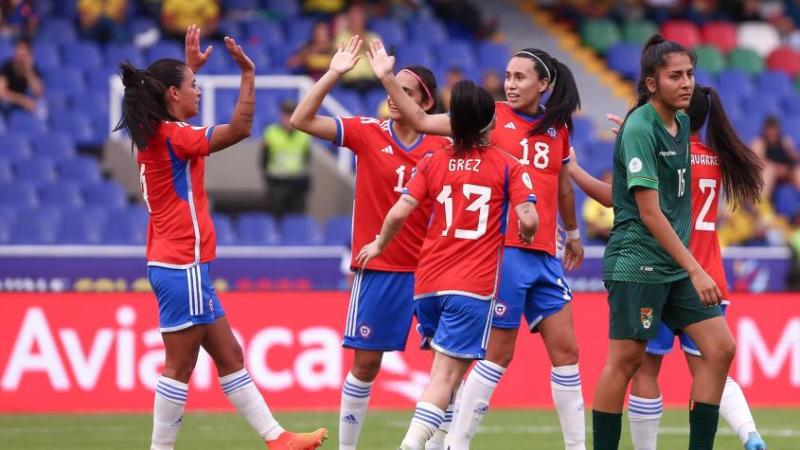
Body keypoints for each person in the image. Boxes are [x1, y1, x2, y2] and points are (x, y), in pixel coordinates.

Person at [113, 25, 326, 450]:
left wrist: (187, 66)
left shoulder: (154, 133)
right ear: (172, 95)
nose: (198, 91)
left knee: (229, 356)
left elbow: (173, 104)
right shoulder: (174, 137)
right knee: (178, 366)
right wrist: (248, 74)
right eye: (193, 85)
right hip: (181, 264)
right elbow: (241, 128)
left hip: (180, 264)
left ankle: (278, 438)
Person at [366, 39, 586, 450]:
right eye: (507, 76)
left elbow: (562, 185)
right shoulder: (488, 116)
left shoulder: (558, 128)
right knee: (498, 355)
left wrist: (572, 233)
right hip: (502, 253)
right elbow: (418, 117)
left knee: (568, 350)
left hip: (545, 255)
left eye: (520, 77)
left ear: (544, 84)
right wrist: (386, 80)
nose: (511, 84)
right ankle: (456, 443)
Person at [569, 84, 767, 450]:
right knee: (715, 361)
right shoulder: (717, 159)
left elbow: (628, 201)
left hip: (668, 266)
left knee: (643, 367)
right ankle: (749, 432)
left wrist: (627, 151)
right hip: (710, 272)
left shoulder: (666, 154)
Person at [356, 78, 539, 450]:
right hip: (471, 287)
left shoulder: (432, 161)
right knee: (445, 376)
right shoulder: (508, 165)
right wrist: (530, 232)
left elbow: (397, 213)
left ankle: (440, 446)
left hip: (428, 285)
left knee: (448, 374)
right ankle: (411, 444)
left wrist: (378, 243)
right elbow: (529, 217)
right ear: (489, 123)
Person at [289, 35, 451, 450]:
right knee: (365, 364)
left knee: (447, 367)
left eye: (407, 91)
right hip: (379, 269)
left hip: (434, 270)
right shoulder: (367, 132)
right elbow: (301, 120)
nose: (394, 96)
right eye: (391, 86)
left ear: (427, 103)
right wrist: (333, 73)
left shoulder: (444, 143)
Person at [589, 34, 735, 450]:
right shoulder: (640, 127)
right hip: (638, 262)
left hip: (672, 264)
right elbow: (650, 213)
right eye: (675, 76)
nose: (687, 82)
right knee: (626, 362)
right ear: (651, 83)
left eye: (690, 74)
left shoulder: (683, 122)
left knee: (721, 348)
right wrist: (696, 266)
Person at [261, 100, 312, 218]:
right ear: (281, 115)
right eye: (286, 115)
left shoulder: (304, 134)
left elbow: (307, 157)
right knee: (275, 217)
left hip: (297, 184)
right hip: (277, 182)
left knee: (296, 218)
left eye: (291, 114)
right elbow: (263, 158)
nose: (288, 119)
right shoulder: (271, 132)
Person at [332, 4, 380, 93]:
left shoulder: (373, 37)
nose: (357, 20)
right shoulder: (341, 37)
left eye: (360, 17)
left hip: (371, 81)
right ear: (349, 20)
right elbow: (339, 59)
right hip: (349, 82)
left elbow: (379, 59)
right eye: (354, 18)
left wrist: (364, 40)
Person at [750, 116, 800, 200]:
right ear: (765, 130)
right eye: (769, 130)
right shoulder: (759, 142)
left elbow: (793, 156)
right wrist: (776, 167)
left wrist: (795, 155)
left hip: (787, 171)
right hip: (769, 170)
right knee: (769, 170)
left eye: (774, 130)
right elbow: (757, 161)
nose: (772, 133)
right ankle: (761, 202)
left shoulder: (785, 141)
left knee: (798, 171)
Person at [0, 38, 42, 116]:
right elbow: (1, 93)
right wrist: (22, 100)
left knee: (40, 108)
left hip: (22, 105)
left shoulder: (32, 69)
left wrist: (28, 71)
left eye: (24, 53)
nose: (20, 54)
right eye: (18, 50)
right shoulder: (7, 66)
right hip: (7, 103)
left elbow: (38, 93)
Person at [582, 169, 613, 243]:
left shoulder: (620, 199)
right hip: (598, 238)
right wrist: (607, 233)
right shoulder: (593, 200)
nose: (610, 184)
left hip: (616, 235)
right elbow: (590, 222)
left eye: (612, 182)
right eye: (607, 181)